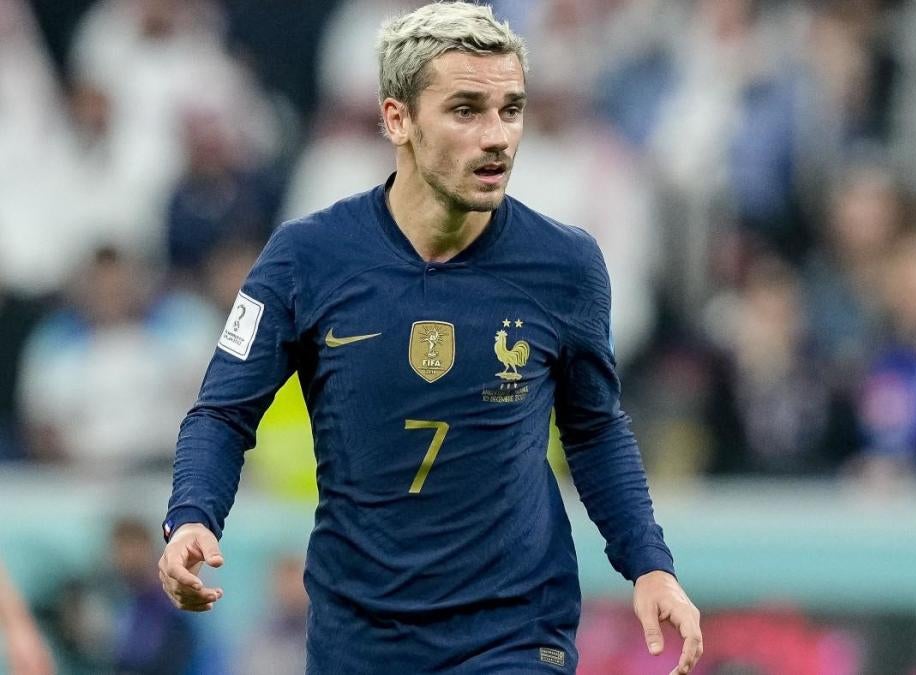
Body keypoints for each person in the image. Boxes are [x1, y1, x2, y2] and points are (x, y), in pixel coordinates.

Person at [157, 3, 702, 674]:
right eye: (467, 110)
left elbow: (594, 428)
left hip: (513, 633)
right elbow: (222, 411)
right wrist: (191, 514)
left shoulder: (565, 265)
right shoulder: (306, 257)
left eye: (510, 109)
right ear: (398, 119)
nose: (497, 136)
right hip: (360, 638)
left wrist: (648, 562)